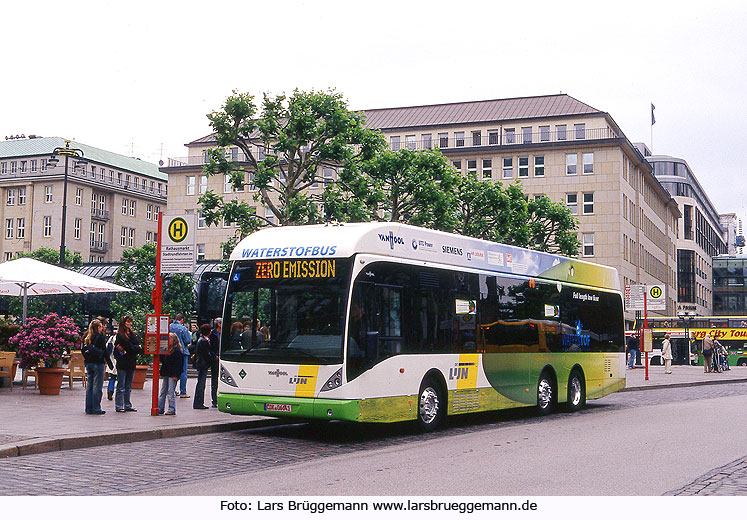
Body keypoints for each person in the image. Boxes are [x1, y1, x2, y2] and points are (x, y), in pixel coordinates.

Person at [114, 315, 142, 412]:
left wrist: (134, 348)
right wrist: (136, 347)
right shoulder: (120, 335)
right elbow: (130, 347)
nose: (130, 323)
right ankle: (119, 405)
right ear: (123, 323)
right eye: (128, 322)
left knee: (128, 386)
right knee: (121, 385)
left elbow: (134, 346)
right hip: (122, 363)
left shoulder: (132, 334)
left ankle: (127, 404)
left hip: (131, 362)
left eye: (130, 322)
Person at [82, 319, 107, 415]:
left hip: (88, 363)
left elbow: (83, 350)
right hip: (98, 363)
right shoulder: (100, 337)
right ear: (98, 327)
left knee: (90, 385)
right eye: (101, 326)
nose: (102, 328)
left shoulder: (86, 337)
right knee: (97, 386)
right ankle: (96, 408)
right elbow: (104, 350)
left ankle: (89, 408)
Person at [158, 333, 184, 415]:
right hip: (167, 372)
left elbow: (179, 364)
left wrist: (176, 375)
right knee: (163, 391)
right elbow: (162, 360)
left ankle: (171, 408)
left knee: (170, 391)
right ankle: (160, 407)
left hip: (172, 374)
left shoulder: (177, 351)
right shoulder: (167, 350)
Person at [169, 313, 192, 399]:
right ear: (182, 320)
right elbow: (187, 340)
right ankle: (183, 391)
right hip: (182, 351)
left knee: (172, 372)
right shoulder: (183, 328)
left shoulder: (169, 326)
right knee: (183, 372)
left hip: (170, 351)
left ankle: (172, 390)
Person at [193, 323, 213, 410]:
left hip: (201, 363)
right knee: (201, 384)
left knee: (201, 383)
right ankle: (199, 403)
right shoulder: (203, 341)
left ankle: (199, 402)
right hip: (202, 364)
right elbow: (206, 354)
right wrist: (212, 359)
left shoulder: (202, 340)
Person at [209, 318, 222, 408]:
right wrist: (214, 355)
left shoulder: (224, 333)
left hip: (223, 357)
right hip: (215, 358)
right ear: (219, 324)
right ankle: (214, 399)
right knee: (214, 380)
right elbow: (210, 348)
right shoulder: (212, 334)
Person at [105, 329, 117, 401]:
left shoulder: (111, 338)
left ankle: (110, 390)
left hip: (111, 360)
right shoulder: (119, 338)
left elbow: (106, 348)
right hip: (118, 360)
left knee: (112, 378)